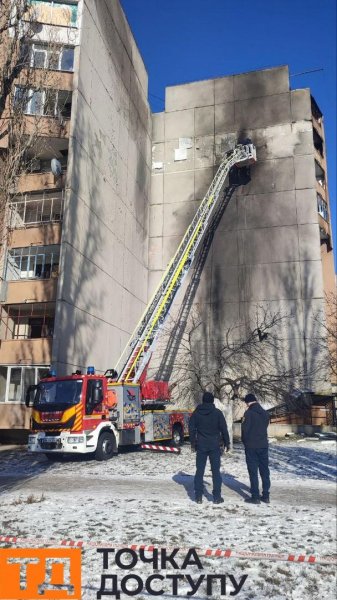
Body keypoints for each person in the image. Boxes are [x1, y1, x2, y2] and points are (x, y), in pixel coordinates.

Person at [189, 391, 230, 504]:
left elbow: (191, 428)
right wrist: (227, 443)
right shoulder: (217, 413)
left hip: (201, 445)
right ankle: (217, 497)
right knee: (216, 472)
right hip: (214, 445)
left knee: (200, 471)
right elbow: (224, 429)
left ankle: (198, 496)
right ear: (212, 401)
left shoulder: (197, 413)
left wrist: (193, 442)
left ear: (203, 401)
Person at [241, 393, 270, 504]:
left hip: (251, 446)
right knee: (264, 471)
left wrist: (245, 442)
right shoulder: (265, 413)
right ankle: (266, 495)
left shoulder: (248, 413)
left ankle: (255, 496)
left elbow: (245, 430)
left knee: (253, 472)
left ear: (248, 402)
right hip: (263, 445)